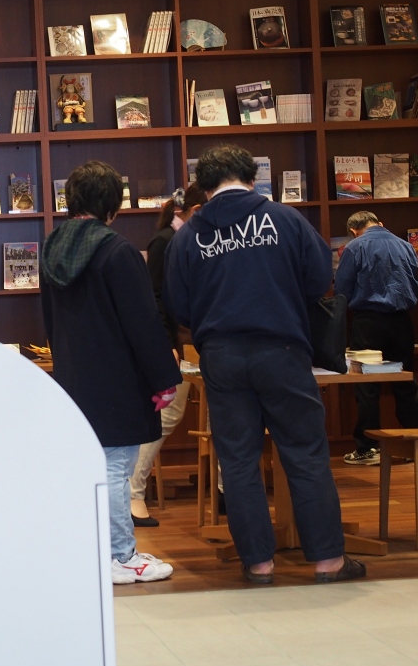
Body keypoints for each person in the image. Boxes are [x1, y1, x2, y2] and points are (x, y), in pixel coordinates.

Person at [166, 144, 364, 584]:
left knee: (238, 461)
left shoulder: (188, 236)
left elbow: (178, 306)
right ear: (251, 178)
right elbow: (320, 278)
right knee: (305, 453)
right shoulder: (285, 219)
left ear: (204, 186)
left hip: (221, 356)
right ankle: (328, 562)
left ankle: (258, 564)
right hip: (282, 350)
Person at [40, 160, 182, 584]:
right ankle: (120, 556)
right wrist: (164, 379)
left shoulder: (50, 247)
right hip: (118, 378)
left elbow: (48, 319)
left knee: (89, 466)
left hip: (72, 374)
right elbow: (143, 323)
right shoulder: (117, 251)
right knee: (115, 468)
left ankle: (95, 551)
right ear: (112, 206)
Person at [130, 184, 206, 527]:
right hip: (180, 343)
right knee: (169, 413)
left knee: (219, 416)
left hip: (205, 340)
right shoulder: (165, 241)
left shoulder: (196, 238)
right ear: (190, 210)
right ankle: (132, 491)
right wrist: (167, 345)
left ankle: (223, 488)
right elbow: (155, 297)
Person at [334, 211, 418, 465]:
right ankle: (413, 445)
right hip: (402, 322)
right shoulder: (406, 246)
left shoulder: (355, 247)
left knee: (367, 385)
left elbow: (342, 289)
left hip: (368, 323)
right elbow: (415, 282)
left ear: (354, 231)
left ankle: (367, 449)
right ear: (380, 223)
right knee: (405, 382)